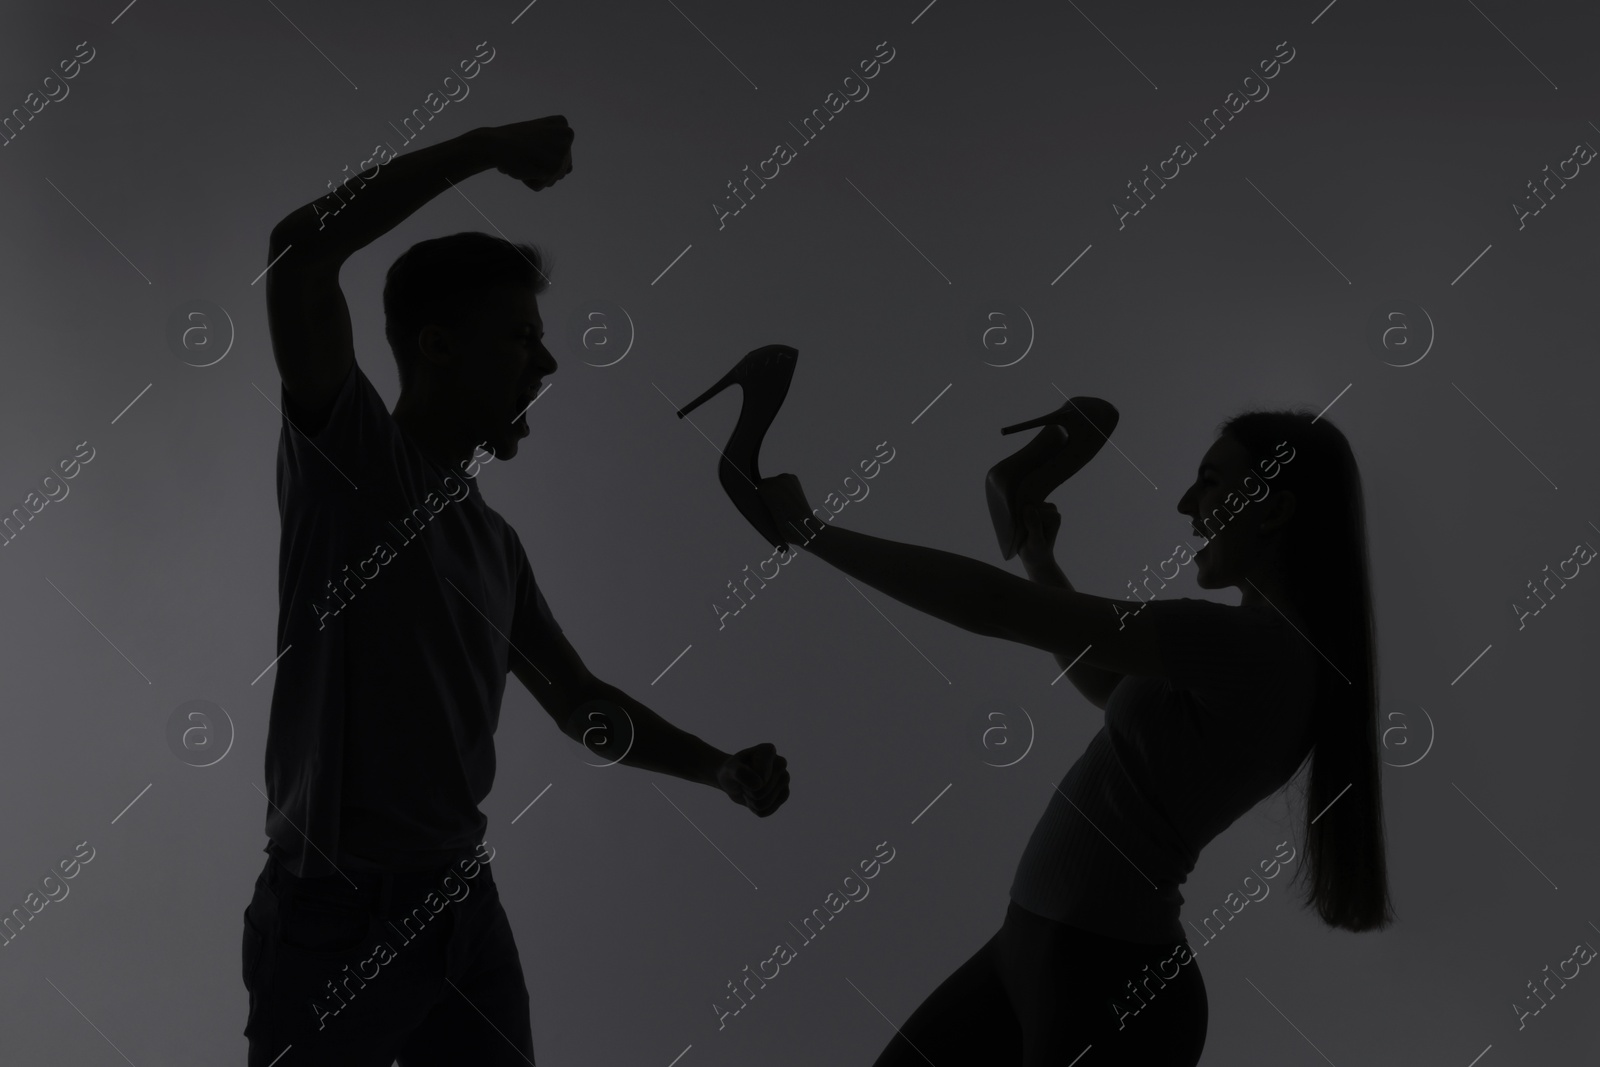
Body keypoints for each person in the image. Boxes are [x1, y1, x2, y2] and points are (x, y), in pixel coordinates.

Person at [242, 116, 790, 1066]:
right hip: (338, 925)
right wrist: (484, 148)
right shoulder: (354, 457)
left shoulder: (496, 545)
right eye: (523, 339)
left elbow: (581, 703)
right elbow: (298, 251)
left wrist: (716, 769)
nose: (546, 364)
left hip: (462, 912)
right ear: (441, 346)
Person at [744, 406, 1393, 1065]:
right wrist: (1038, 556)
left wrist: (811, 532)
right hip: (1031, 948)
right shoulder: (1255, 651)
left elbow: (992, 607)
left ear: (1274, 508)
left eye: (1210, 480)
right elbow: (1113, 691)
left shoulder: (1260, 649)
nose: (1186, 503)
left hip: (1105, 984)